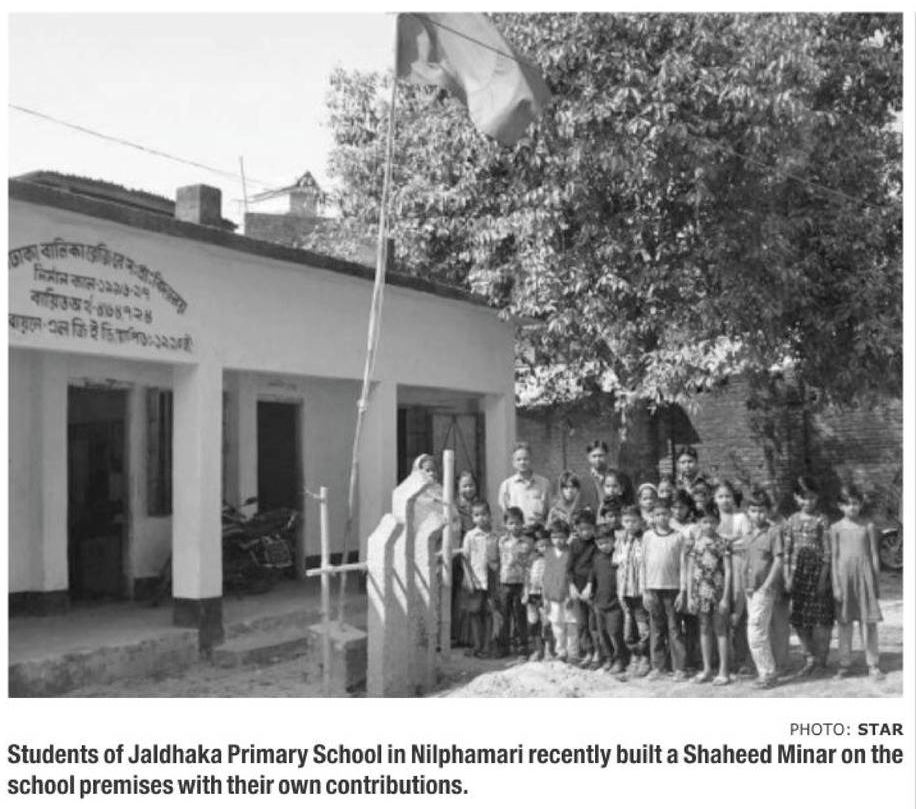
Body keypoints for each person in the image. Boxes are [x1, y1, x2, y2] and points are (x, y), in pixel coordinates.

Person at [830, 484, 884, 680]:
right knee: (844, 623)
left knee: (868, 622)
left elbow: (874, 555)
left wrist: (875, 581)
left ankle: (873, 663)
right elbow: (834, 557)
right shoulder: (835, 528)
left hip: (864, 578)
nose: (852, 507)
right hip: (845, 579)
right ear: (840, 506)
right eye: (848, 504)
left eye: (855, 503)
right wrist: (836, 585)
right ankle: (844, 663)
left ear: (861, 504)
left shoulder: (868, 526)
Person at [784, 476, 834, 678]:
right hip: (798, 576)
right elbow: (787, 552)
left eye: (812, 497)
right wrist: (788, 576)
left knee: (821, 619)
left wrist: (823, 578)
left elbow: (828, 552)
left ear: (817, 497)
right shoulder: (791, 520)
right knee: (800, 620)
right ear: (796, 498)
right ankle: (809, 657)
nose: (808, 502)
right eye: (804, 497)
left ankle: (822, 660)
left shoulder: (822, 519)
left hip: (818, 575)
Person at [641, 500, 688, 680]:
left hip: (672, 589)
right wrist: (644, 591)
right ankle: (658, 667)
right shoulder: (647, 536)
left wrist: (682, 591)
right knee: (656, 628)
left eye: (665, 514)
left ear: (670, 515)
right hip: (653, 588)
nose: (661, 518)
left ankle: (679, 668)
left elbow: (683, 565)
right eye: (658, 514)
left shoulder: (678, 537)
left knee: (674, 628)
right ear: (652, 517)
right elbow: (643, 564)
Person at [743, 488, 784, 689]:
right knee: (757, 630)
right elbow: (747, 561)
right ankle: (765, 671)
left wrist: (767, 585)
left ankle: (768, 673)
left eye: (761, 511)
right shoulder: (748, 534)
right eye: (753, 510)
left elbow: (778, 560)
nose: (757, 515)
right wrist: (745, 584)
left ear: (767, 511)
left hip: (764, 589)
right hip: (750, 589)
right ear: (747, 512)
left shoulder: (773, 532)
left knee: (756, 631)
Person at [687, 509, 732, 685]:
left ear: (718, 523)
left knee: (720, 629)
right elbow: (690, 571)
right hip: (700, 593)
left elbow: (728, 571)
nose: (708, 525)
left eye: (712, 522)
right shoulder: (695, 544)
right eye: (704, 522)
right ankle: (706, 669)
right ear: (699, 523)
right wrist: (690, 596)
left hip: (718, 593)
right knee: (704, 628)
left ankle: (723, 670)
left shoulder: (722, 543)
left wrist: (726, 597)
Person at [714, 480, 753, 675]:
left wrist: (729, 542)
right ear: (715, 499)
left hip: (738, 564)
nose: (725, 500)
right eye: (720, 496)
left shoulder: (741, 518)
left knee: (738, 610)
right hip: (717, 566)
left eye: (728, 496)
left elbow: (748, 540)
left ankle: (742, 658)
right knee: (720, 611)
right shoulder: (713, 518)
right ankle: (721, 659)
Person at [459, 499, 497, 658]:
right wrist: (468, 579)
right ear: (472, 518)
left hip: (491, 581)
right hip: (475, 581)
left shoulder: (495, 536)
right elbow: (465, 558)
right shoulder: (470, 536)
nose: (481, 518)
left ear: (490, 515)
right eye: (477, 515)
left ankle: (487, 646)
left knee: (489, 613)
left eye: (484, 514)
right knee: (474, 613)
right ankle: (477, 644)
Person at [614, 506, 650, 676]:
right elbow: (617, 563)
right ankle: (634, 656)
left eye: (634, 521)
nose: (630, 524)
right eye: (626, 521)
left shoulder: (646, 539)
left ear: (641, 521)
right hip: (625, 592)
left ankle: (645, 658)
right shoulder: (621, 540)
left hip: (640, 592)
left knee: (643, 628)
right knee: (628, 629)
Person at [590, 524, 627, 674]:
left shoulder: (619, 557)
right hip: (600, 603)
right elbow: (593, 576)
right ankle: (608, 658)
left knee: (615, 632)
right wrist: (589, 590)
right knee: (603, 633)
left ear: (613, 540)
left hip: (615, 603)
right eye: (600, 543)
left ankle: (620, 659)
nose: (604, 546)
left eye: (607, 542)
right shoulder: (597, 558)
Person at [496, 506, 532, 657]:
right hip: (505, 583)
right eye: (511, 523)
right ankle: (503, 647)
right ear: (505, 525)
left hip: (521, 583)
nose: (515, 526)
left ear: (523, 523)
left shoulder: (528, 542)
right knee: (504, 616)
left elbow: (530, 564)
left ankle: (522, 646)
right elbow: (498, 561)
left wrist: (528, 586)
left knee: (520, 616)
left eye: (517, 523)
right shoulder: (502, 541)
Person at [567, 507, 599, 666]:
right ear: (576, 529)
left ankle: (598, 652)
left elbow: (595, 566)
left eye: (589, 529)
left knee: (594, 623)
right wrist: (572, 586)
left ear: (594, 528)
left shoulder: (596, 544)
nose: (585, 532)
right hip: (577, 588)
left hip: (593, 588)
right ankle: (588, 651)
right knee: (581, 623)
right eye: (582, 529)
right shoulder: (573, 544)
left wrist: (589, 586)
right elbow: (568, 567)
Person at [543, 520, 578, 662]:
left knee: (571, 624)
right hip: (552, 595)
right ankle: (561, 652)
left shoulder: (571, 552)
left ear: (567, 537)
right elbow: (546, 575)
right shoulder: (548, 552)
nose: (558, 540)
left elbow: (572, 575)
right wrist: (545, 598)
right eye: (554, 537)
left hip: (567, 595)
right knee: (557, 625)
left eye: (561, 537)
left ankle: (573, 653)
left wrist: (570, 595)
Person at [453, 470, 479, 648]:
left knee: (475, 594)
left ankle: (473, 636)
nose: (468, 489)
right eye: (465, 486)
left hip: (477, 554)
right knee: (460, 594)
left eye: (471, 485)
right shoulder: (453, 507)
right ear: (458, 488)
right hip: (460, 555)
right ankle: (459, 635)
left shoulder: (479, 505)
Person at [497, 442, 552, 526]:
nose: (522, 462)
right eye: (518, 459)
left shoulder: (544, 483)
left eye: (526, 459)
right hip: (516, 530)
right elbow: (504, 513)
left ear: (531, 460)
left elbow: (550, 511)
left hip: (538, 530)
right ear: (513, 463)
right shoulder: (506, 485)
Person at [522, 527, 549, 661]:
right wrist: (526, 593)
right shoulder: (531, 559)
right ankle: (537, 649)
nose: (543, 548)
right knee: (533, 622)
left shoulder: (552, 558)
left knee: (546, 622)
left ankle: (549, 650)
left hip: (546, 595)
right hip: (532, 594)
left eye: (546, 545)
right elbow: (527, 578)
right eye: (540, 545)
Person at [579, 440, 610, 513]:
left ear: (607, 456)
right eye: (594, 456)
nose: (597, 459)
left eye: (600, 456)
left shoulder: (617, 477)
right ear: (588, 457)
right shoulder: (582, 481)